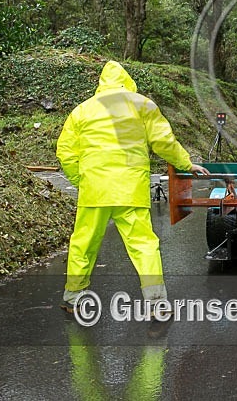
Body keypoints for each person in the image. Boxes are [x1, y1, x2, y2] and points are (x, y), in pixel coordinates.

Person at [56, 60, 209, 314]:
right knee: (143, 245)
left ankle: (73, 295)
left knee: (83, 243)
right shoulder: (142, 105)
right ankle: (156, 302)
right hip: (131, 189)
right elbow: (163, 141)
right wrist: (186, 163)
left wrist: (81, 181)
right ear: (127, 81)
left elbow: (65, 152)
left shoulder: (82, 111)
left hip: (94, 191)